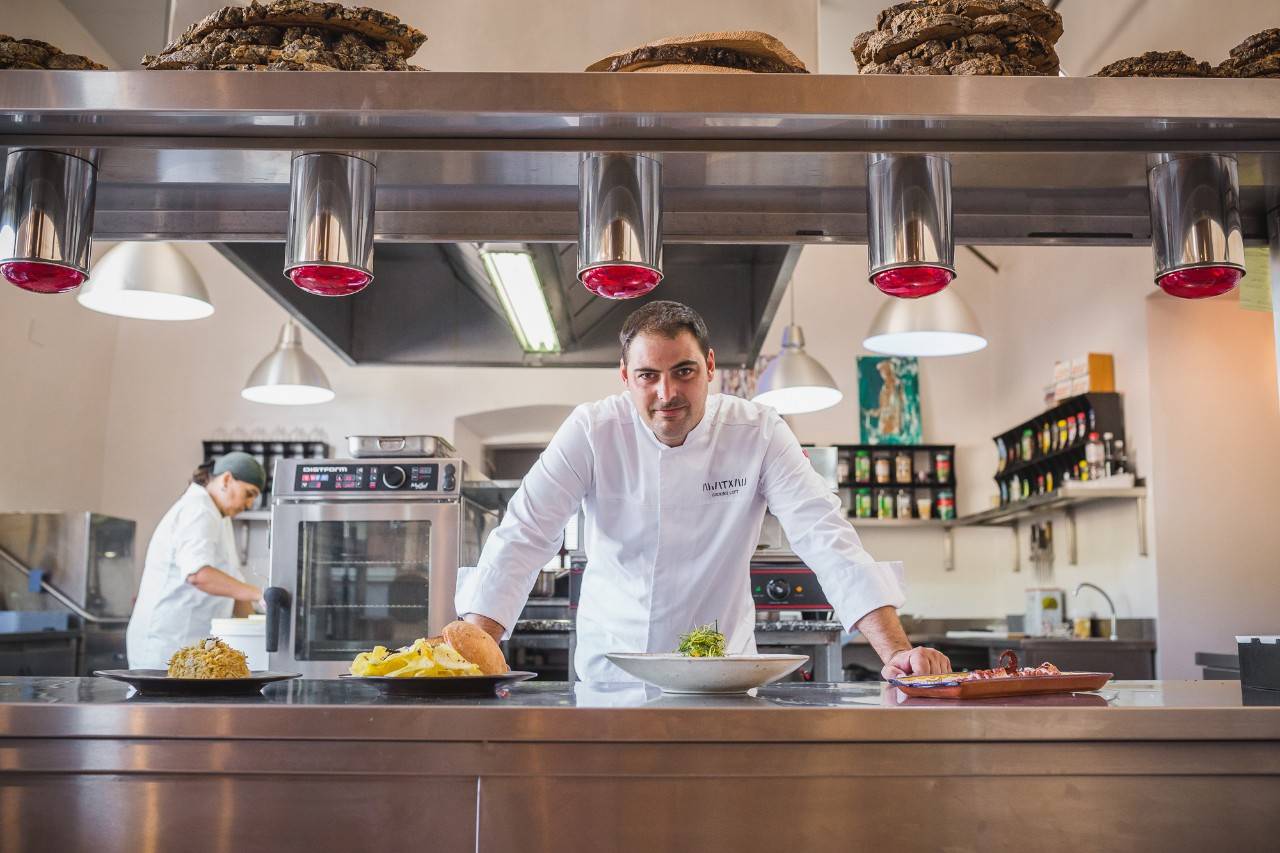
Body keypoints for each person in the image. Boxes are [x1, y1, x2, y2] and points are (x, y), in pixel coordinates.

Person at [456, 300, 951, 682]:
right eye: (648, 376)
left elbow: (825, 533)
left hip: (723, 677)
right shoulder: (592, 429)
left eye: (684, 372)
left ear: (710, 366)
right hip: (613, 675)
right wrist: (468, 655)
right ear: (626, 377)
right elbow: (525, 534)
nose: (666, 393)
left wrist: (895, 652)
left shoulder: (757, 430)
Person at [126, 452, 266, 669]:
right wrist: (259, 594)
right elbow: (198, 575)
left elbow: (234, 588)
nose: (248, 504)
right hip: (166, 644)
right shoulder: (198, 509)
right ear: (227, 480)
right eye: (248, 494)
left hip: (195, 647)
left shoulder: (220, 516)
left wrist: (258, 636)